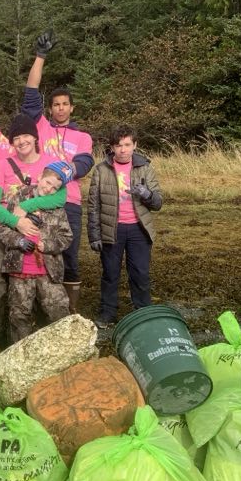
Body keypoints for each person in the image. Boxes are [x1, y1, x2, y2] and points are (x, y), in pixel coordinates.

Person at [0, 113, 71, 356]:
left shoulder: (50, 163)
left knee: (42, 287)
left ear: (35, 137)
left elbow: (61, 197)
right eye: (16, 138)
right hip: (3, 227)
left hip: (39, 233)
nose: (21, 141)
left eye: (26, 136)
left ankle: (44, 336)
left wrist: (29, 206)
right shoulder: (3, 164)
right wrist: (16, 221)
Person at [21, 30, 95, 313]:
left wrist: (60, 173)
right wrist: (40, 56)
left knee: (70, 258)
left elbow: (84, 164)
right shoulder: (41, 127)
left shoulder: (83, 137)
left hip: (69, 204)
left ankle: (71, 312)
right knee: (39, 253)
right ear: (50, 109)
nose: (61, 108)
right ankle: (45, 311)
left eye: (65, 104)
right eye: (56, 104)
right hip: (40, 202)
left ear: (72, 108)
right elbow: (31, 93)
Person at [87, 125, 163, 329]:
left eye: (127, 145)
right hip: (111, 229)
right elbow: (93, 206)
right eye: (118, 145)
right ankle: (108, 313)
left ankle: (143, 312)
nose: (123, 150)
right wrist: (94, 235)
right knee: (110, 274)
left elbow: (158, 203)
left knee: (140, 273)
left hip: (139, 230)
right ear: (112, 147)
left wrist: (147, 194)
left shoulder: (145, 168)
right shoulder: (101, 170)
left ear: (135, 145)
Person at [0, 165, 74, 342]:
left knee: (58, 310)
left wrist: (46, 245)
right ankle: (20, 351)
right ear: (40, 177)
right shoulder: (18, 198)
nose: (49, 189)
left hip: (48, 271)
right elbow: (3, 228)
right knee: (19, 315)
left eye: (55, 188)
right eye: (47, 183)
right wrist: (18, 240)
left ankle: (63, 348)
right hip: (20, 269)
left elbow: (66, 236)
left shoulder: (57, 206)